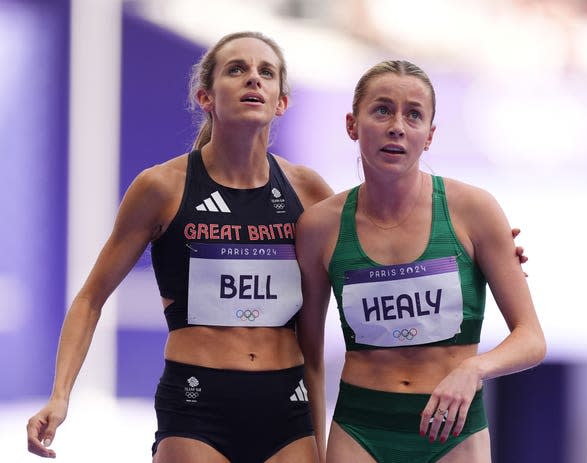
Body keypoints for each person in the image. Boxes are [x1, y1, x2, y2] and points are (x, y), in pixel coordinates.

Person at [26, 31, 335, 462]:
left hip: (287, 406)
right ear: (205, 96)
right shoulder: (162, 187)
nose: (253, 80)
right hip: (196, 406)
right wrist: (60, 396)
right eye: (237, 69)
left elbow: (344, 305)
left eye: (266, 73)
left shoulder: (309, 191)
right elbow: (90, 299)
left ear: (281, 102)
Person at [295, 60, 546, 463]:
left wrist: (474, 369)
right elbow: (307, 355)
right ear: (351, 124)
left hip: (454, 432)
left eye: (413, 114)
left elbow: (532, 338)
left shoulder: (474, 210)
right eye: (382, 109)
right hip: (360, 430)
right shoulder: (319, 227)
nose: (397, 125)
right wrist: (311, 448)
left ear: (429, 136)